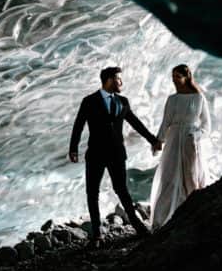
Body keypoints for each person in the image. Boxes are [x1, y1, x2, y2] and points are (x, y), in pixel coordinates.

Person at [69, 67, 163, 248]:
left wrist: (153, 140)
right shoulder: (89, 101)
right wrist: (73, 149)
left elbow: (135, 123)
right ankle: (96, 235)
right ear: (109, 80)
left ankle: (138, 226)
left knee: (122, 190)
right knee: (92, 193)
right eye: (119, 79)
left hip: (117, 154)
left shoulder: (123, 101)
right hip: (95, 154)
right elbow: (78, 125)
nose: (121, 82)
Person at [148, 64, 211, 231]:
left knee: (191, 176)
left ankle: (192, 214)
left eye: (178, 76)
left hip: (191, 140)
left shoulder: (199, 98)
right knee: (169, 175)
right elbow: (165, 122)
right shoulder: (172, 99)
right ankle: (162, 218)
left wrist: (197, 135)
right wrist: (158, 140)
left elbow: (207, 125)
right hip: (174, 139)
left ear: (186, 77)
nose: (174, 79)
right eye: (173, 76)